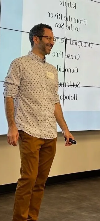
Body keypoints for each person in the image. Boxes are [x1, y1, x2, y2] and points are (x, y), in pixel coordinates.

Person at [4, 23, 75, 221]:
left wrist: (65, 130)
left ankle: (31, 218)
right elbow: (9, 95)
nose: (52, 42)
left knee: (40, 181)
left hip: (49, 133)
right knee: (28, 178)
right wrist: (12, 125)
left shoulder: (52, 69)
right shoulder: (19, 63)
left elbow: (54, 102)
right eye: (49, 38)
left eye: (53, 39)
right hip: (29, 130)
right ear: (36, 39)